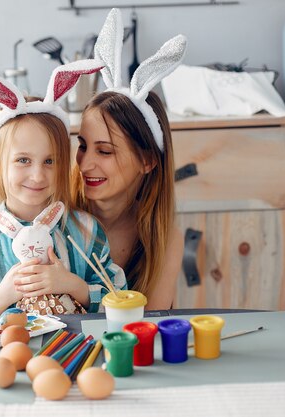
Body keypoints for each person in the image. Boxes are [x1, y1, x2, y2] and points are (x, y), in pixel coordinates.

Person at [0, 60, 126, 319]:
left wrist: (73, 285)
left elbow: (120, 296)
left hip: (76, 349)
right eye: (23, 160)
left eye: (49, 161)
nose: (38, 175)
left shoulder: (86, 232)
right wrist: (2, 296)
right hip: (7, 353)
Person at [72, 9, 187, 310]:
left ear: (147, 161)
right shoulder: (58, 217)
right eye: (82, 145)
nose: (84, 164)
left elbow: (151, 321)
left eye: (105, 151)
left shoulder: (165, 239)